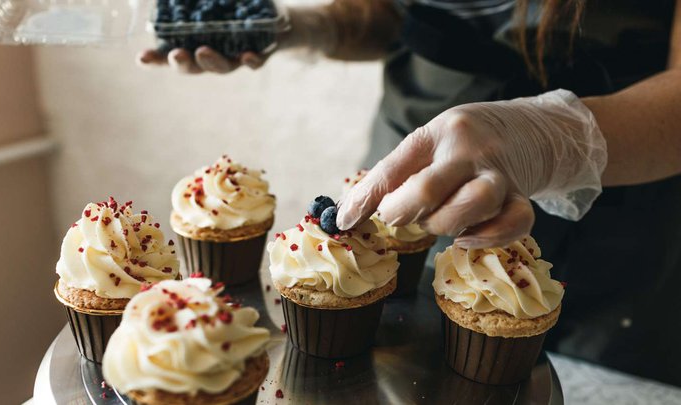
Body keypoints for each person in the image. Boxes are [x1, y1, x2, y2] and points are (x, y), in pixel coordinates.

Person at [140, 0, 681, 386]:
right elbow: (388, 14)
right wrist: (296, 26)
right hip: (415, 166)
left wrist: (552, 139)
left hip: (626, 192)